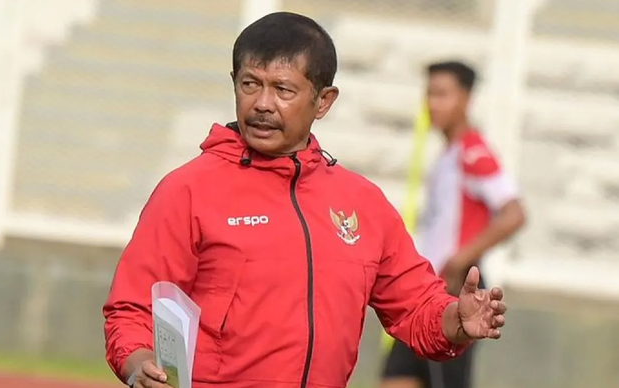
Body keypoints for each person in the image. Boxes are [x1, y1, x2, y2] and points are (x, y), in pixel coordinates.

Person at [103, 14, 507, 388]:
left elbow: (416, 306)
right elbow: (131, 308)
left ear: (324, 101)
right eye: (250, 84)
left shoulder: (361, 203)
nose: (262, 103)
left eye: (282, 89)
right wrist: (139, 363)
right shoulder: (187, 190)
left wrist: (456, 318)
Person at [380, 61, 526, 388]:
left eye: (443, 94)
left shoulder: (472, 152)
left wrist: (459, 261)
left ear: (466, 99)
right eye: (429, 93)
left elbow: (514, 213)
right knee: (395, 377)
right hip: (425, 292)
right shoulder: (448, 155)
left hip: (455, 292)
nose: (432, 103)